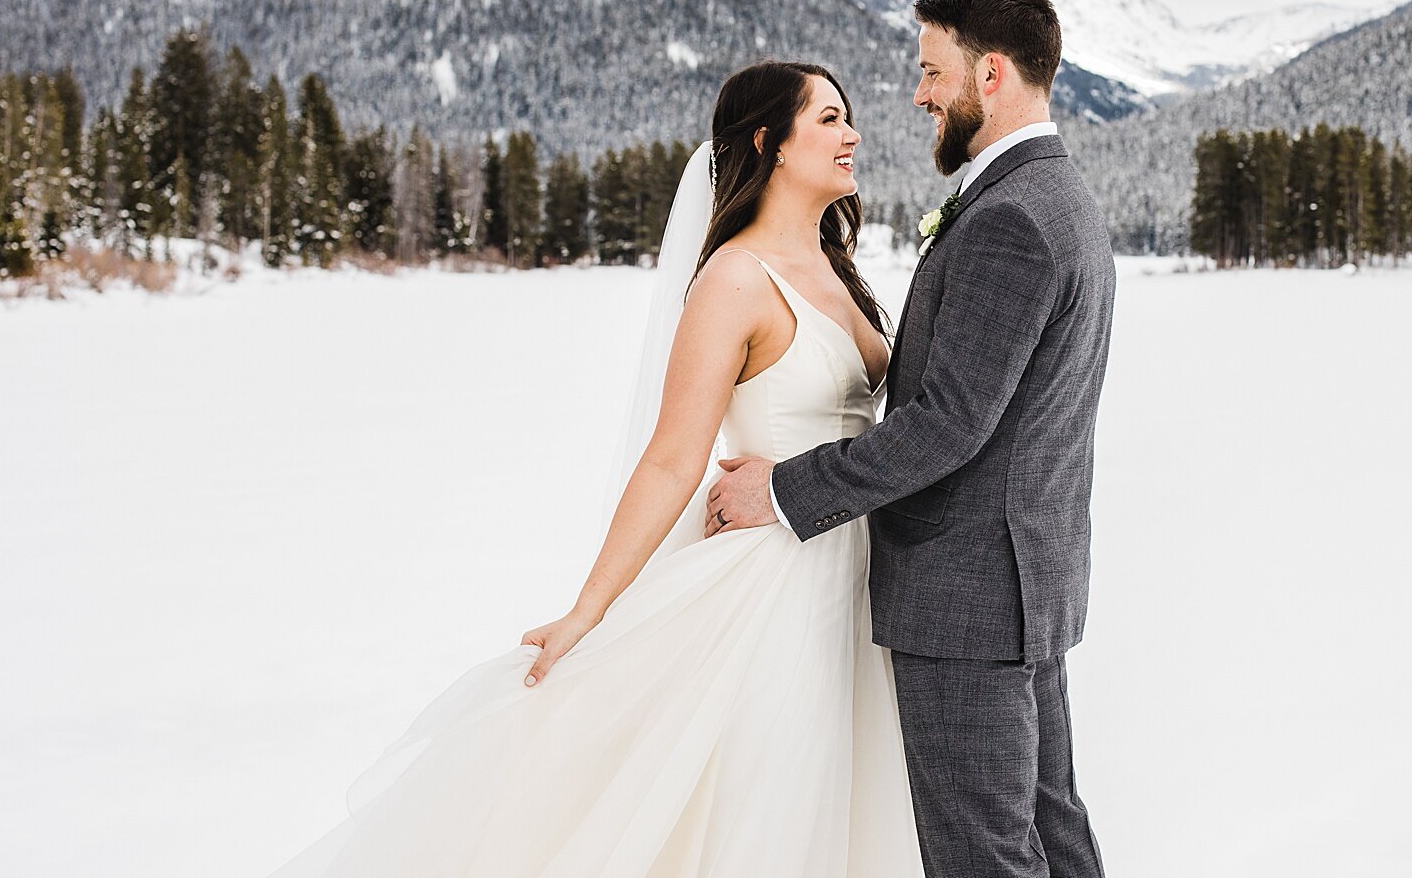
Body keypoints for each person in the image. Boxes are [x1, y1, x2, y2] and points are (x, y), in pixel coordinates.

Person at [264, 59, 923, 877]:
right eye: (828, 118)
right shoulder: (732, 281)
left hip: (861, 577)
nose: (851, 133)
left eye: (846, 116)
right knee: (769, 805)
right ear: (770, 142)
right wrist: (590, 609)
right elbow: (672, 458)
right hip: (776, 588)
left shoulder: (834, 268)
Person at [706, 0, 1116, 878]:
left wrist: (781, 487)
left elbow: (949, 425)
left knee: (984, 855)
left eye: (933, 71)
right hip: (1024, 580)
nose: (921, 93)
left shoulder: (1010, 218)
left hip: (967, 597)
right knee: (1049, 832)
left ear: (992, 74)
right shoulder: (1058, 198)